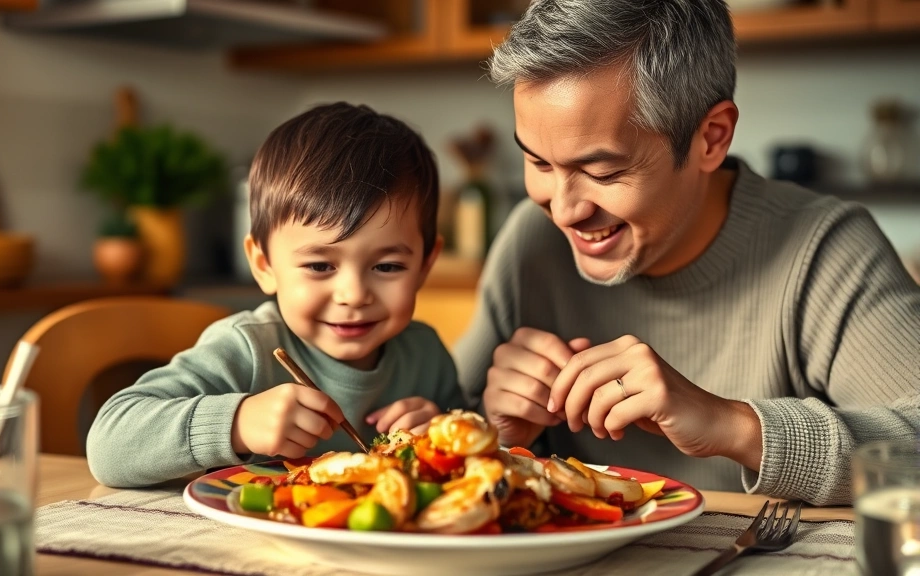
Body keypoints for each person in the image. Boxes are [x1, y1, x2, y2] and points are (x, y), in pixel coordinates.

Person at [457, 0, 920, 506]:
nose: (564, 211)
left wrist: (731, 424)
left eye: (603, 173)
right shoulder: (533, 240)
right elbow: (423, 440)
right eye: (538, 161)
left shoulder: (826, 251)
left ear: (710, 138)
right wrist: (498, 432)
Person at [88, 102, 464, 488]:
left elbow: (485, 459)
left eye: (387, 267)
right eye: (320, 266)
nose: (353, 295)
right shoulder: (246, 349)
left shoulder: (426, 356)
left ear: (425, 264)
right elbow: (108, 446)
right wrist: (237, 423)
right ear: (263, 264)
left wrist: (442, 436)